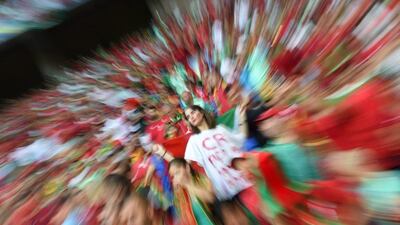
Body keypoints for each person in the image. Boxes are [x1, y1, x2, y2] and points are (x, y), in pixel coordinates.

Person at [168, 158, 216, 225]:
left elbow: (211, 198)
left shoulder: (201, 179)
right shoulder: (180, 192)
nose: (176, 178)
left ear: (187, 168)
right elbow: (182, 217)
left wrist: (187, 185)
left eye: (177, 173)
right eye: (173, 176)